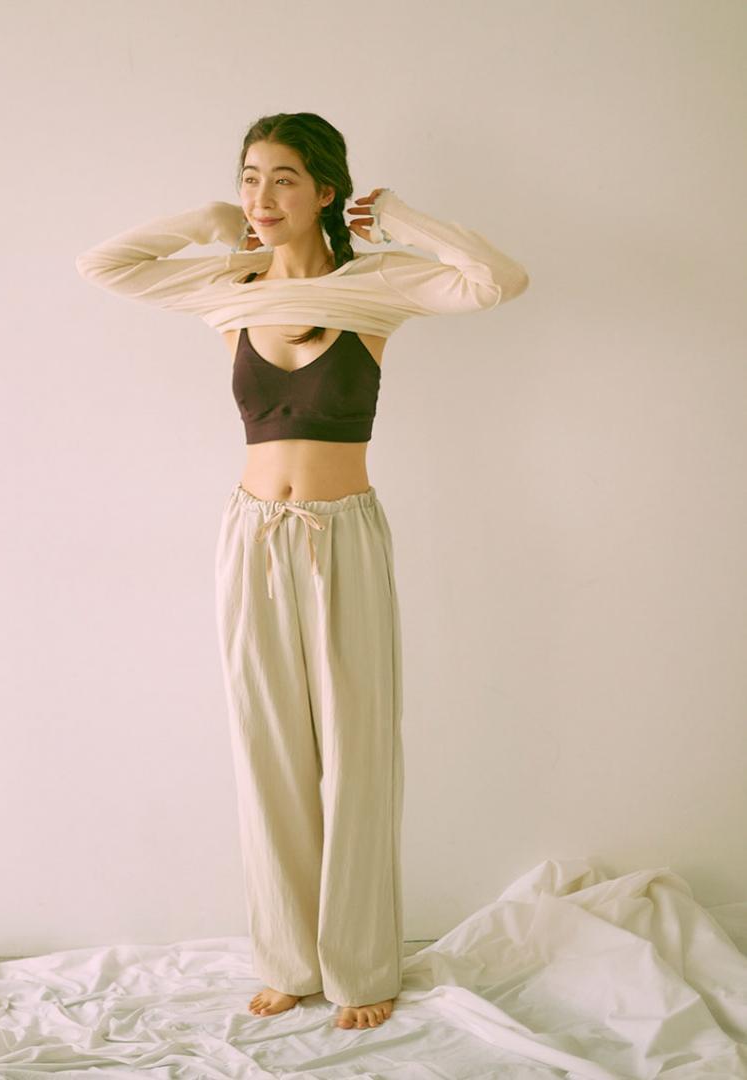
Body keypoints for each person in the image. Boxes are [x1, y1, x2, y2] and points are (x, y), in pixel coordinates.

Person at [75, 111, 530, 1031]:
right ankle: (286, 957)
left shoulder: (376, 285)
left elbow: (498, 280)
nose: (261, 196)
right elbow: (104, 266)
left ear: (325, 190)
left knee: (358, 755)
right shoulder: (228, 287)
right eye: (249, 177)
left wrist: (400, 217)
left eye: (282, 178)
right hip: (250, 539)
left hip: (344, 536)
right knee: (267, 749)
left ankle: (361, 966)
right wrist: (207, 221)